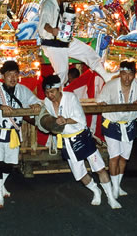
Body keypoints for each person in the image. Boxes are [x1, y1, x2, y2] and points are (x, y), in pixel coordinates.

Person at [40, 74, 121, 209]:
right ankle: (96, 190)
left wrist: (65, 120)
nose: (50, 95)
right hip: (67, 140)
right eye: (47, 92)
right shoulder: (47, 102)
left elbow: (80, 119)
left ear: (59, 88)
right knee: (80, 175)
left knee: (99, 168)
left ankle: (111, 198)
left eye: (52, 91)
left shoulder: (70, 97)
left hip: (82, 136)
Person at [0, 60, 41, 208]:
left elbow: (34, 99)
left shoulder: (22, 90)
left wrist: (36, 104)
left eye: (15, 74)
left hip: (13, 133)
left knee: (11, 164)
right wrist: (0, 106)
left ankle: (1, 186)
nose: (12, 78)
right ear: (3, 76)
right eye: (9, 74)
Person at [38, 0, 113, 86]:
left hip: (65, 40)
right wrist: (52, 30)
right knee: (62, 73)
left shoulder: (64, 4)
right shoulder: (48, 4)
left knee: (88, 52)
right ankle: (56, 96)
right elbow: (44, 23)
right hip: (52, 44)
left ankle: (106, 76)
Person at [97, 60, 137, 198]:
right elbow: (100, 100)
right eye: (124, 74)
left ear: (134, 75)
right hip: (112, 122)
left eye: (130, 74)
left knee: (124, 158)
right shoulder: (110, 85)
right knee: (115, 156)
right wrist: (103, 103)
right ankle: (113, 189)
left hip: (129, 123)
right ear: (120, 74)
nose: (127, 78)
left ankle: (117, 186)